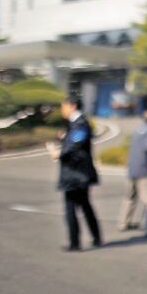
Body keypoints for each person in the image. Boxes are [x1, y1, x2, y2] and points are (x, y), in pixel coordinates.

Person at [56, 97, 101, 251]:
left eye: (64, 106)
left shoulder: (80, 124)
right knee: (85, 206)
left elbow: (75, 145)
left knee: (71, 208)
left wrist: (59, 153)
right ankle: (96, 237)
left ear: (73, 106)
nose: (62, 110)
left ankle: (75, 242)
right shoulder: (74, 124)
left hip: (76, 174)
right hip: (77, 173)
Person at [116, 110, 147, 237]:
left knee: (129, 197)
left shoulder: (138, 130)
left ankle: (123, 223)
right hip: (143, 170)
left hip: (132, 168)